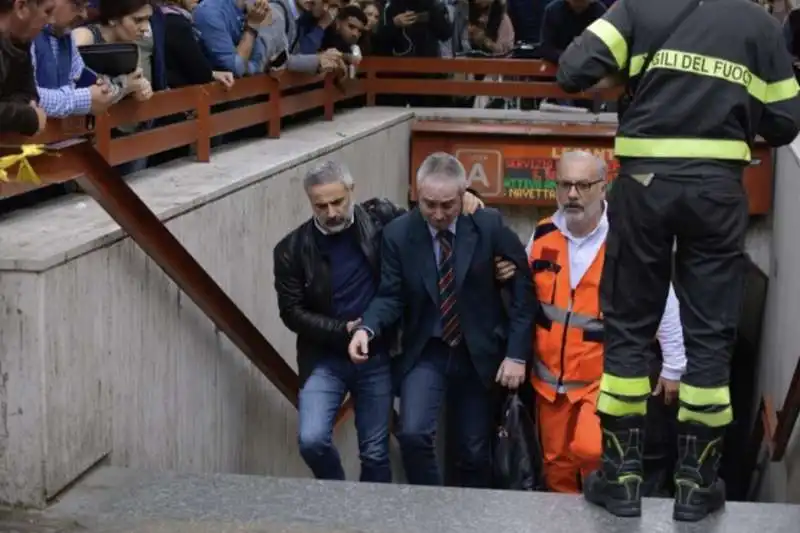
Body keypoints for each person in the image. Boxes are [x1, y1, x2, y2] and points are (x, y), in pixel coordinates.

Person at [556, 0, 800, 522]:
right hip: (717, 189)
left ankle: (621, 480)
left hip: (643, 186)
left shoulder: (636, 9)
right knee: (710, 336)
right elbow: (784, 121)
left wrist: (632, 74)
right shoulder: (758, 24)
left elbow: (573, 70)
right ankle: (696, 485)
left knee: (627, 328)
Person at [273, 160, 501, 482]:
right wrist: (345, 331)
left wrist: (470, 197)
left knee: (376, 452)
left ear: (351, 190)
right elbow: (291, 312)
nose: (332, 212)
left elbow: (431, 208)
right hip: (326, 359)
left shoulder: (381, 219)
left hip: (377, 355)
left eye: (338, 201)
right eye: (321, 205)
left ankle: (381, 521)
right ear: (310, 202)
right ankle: (341, 502)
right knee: (312, 440)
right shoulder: (290, 250)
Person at [348, 152, 536, 488]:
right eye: (428, 204)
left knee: (474, 451)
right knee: (413, 434)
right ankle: (432, 509)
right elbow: (391, 295)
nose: (437, 214)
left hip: (477, 350)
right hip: (427, 348)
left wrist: (516, 354)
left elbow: (524, 291)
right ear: (416, 194)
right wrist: (367, 328)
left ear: (464, 194)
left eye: (447, 205)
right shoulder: (399, 234)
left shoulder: (487, 224)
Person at [524, 150, 685, 494]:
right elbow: (524, 301)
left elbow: (662, 302)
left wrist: (674, 365)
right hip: (550, 385)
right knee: (556, 465)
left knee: (591, 449)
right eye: (565, 184)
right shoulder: (541, 237)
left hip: (602, 378)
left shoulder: (626, 242)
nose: (572, 194)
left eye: (583, 185)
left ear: (603, 187)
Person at [0, 0, 52, 136]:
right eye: (47, 12)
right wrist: (28, 118)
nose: (50, 21)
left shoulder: (20, 42)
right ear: (21, 7)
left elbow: (29, 94)